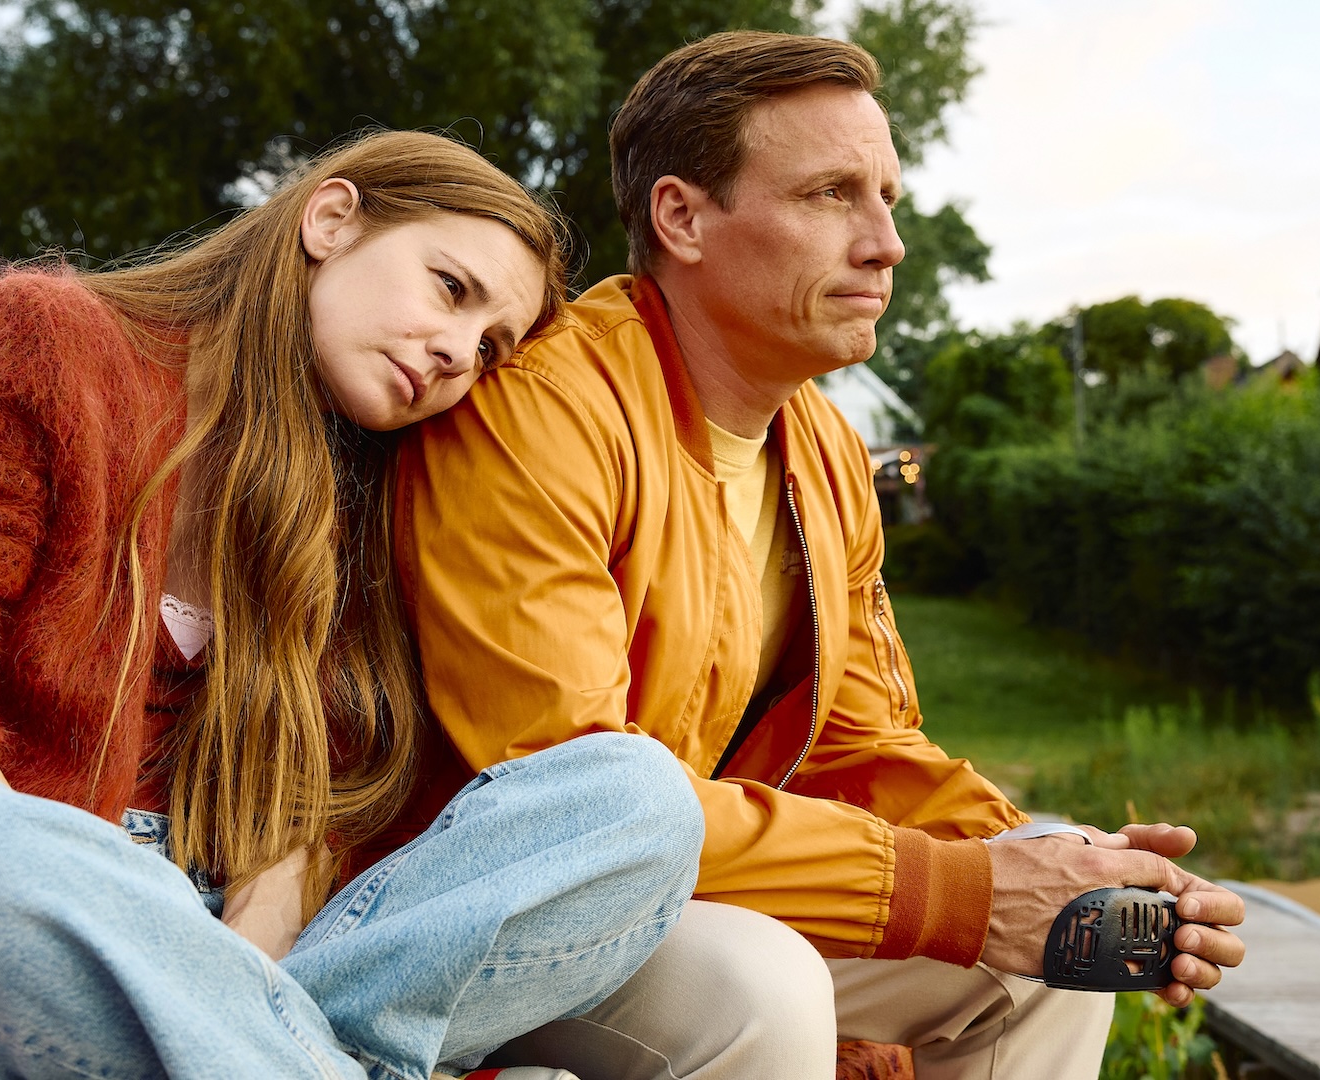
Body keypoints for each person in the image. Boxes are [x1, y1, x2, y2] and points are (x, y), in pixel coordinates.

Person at [392, 32, 1246, 1080]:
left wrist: (1061, 866)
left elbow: (861, 742)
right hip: (486, 912)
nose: (886, 243)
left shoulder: (828, 451)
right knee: (760, 985)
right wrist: (962, 892)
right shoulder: (541, 414)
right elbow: (573, 806)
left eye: (886, 197)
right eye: (831, 195)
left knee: (1047, 957)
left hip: (684, 886)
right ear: (681, 217)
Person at [0, 129, 704, 1080]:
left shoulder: (363, 494)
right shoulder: (40, 343)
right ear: (331, 220)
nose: (454, 353)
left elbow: (307, 806)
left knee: (634, 799)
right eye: (449, 287)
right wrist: (153, 948)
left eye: (487, 349)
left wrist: (234, 984)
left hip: (235, 968)